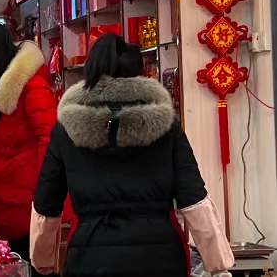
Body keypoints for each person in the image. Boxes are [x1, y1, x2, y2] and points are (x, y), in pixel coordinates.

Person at [30, 33, 234, 277]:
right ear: (139, 70)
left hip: (91, 257)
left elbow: (47, 202)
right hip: (160, 257)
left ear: (91, 69)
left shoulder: (66, 129)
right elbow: (194, 199)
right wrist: (218, 264)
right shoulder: (166, 126)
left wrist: (42, 259)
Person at [0, 21, 57, 272]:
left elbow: (48, 138)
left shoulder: (32, 85)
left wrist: (44, 188)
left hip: (29, 191)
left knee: (32, 261)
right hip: (5, 188)